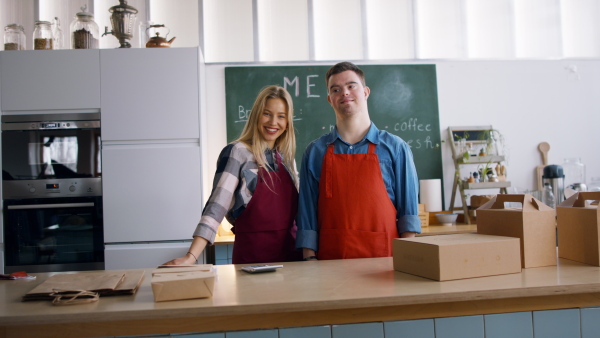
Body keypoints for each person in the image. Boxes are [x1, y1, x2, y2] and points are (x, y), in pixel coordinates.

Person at [296, 61, 421, 261]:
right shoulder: (314, 152)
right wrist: (309, 260)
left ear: (365, 92)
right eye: (336, 89)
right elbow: (307, 215)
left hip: (384, 263)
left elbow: (409, 216)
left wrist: (405, 261)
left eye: (351, 86)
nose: (344, 92)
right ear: (330, 99)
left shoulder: (396, 148)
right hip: (329, 265)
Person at [163, 85, 302, 265]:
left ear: (288, 121)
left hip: (291, 260)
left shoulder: (287, 159)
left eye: (281, 116)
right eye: (267, 113)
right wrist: (191, 256)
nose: (273, 122)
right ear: (256, 115)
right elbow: (217, 206)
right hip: (252, 260)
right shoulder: (237, 152)